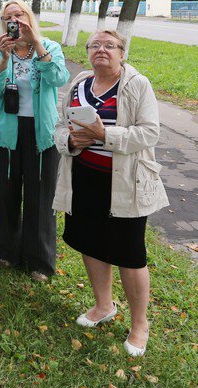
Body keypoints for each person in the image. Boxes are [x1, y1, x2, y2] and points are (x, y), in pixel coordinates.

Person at [54, 29, 167, 357]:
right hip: (85, 178)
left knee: (129, 254)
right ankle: (104, 305)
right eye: (94, 45)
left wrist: (104, 135)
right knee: (90, 242)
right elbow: (61, 127)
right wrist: (72, 142)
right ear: (87, 52)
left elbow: (150, 133)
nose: (101, 50)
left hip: (125, 184)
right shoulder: (79, 84)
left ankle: (139, 324)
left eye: (109, 46)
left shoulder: (136, 85)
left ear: (122, 53)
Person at [0, 0, 69, 281]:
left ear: (29, 17)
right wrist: (5, 59)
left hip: (41, 133)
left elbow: (58, 78)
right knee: (6, 192)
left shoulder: (50, 47)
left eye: (19, 14)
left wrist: (38, 45)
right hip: (8, 132)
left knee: (40, 196)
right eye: (9, 16)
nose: (15, 20)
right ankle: (5, 252)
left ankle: (39, 262)